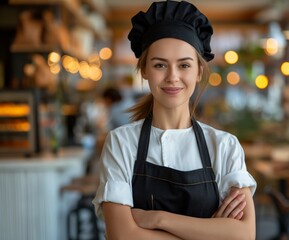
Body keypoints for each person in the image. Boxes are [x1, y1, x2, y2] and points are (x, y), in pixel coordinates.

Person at [92, 1, 257, 239]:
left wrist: (157, 219)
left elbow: (243, 235)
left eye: (184, 65)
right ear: (145, 70)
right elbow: (121, 235)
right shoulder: (121, 142)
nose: (173, 77)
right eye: (160, 65)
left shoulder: (224, 146)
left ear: (198, 71)